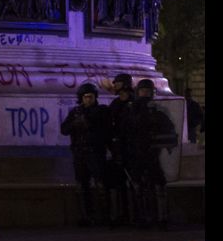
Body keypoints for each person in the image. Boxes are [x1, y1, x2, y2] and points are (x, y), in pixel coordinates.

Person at [118, 79, 178, 230]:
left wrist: (167, 142)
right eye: (142, 91)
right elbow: (123, 133)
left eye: (147, 91)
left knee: (159, 184)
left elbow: (169, 129)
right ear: (138, 92)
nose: (145, 93)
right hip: (136, 154)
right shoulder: (130, 111)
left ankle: (162, 218)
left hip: (152, 153)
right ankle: (141, 218)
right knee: (138, 186)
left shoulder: (157, 111)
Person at [60, 83, 111, 226]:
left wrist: (89, 123)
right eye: (85, 97)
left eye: (90, 97)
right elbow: (64, 129)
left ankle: (105, 215)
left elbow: (105, 130)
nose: (88, 100)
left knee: (101, 184)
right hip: (80, 153)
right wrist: (75, 124)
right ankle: (86, 216)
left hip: (95, 153)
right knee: (82, 185)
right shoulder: (76, 112)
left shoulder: (101, 111)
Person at [105, 73, 135, 225]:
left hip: (133, 149)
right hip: (118, 149)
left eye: (117, 83)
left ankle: (136, 215)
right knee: (119, 183)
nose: (115, 85)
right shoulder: (115, 104)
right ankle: (122, 215)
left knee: (135, 183)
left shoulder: (134, 103)